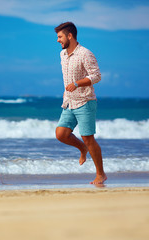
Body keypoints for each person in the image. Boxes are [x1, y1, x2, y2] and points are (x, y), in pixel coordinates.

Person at [54, 22, 107, 185]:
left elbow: (96, 76)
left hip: (85, 101)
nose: (58, 40)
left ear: (70, 36)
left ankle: (101, 174)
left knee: (88, 138)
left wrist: (77, 83)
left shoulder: (85, 54)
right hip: (69, 102)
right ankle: (82, 149)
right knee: (61, 134)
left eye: (60, 37)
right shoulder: (62, 54)